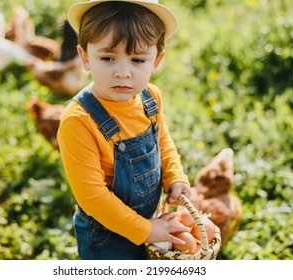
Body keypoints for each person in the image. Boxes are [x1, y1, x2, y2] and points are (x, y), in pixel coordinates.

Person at [57, 0, 192, 260]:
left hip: (150, 221)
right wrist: (146, 229)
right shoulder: (79, 121)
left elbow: (163, 141)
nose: (122, 73)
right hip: (107, 238)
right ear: (85, 57)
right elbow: (93, 198)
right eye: (108, 58)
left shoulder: (151, 98)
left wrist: (175, 176)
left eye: (138, 59)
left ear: (157, 60)